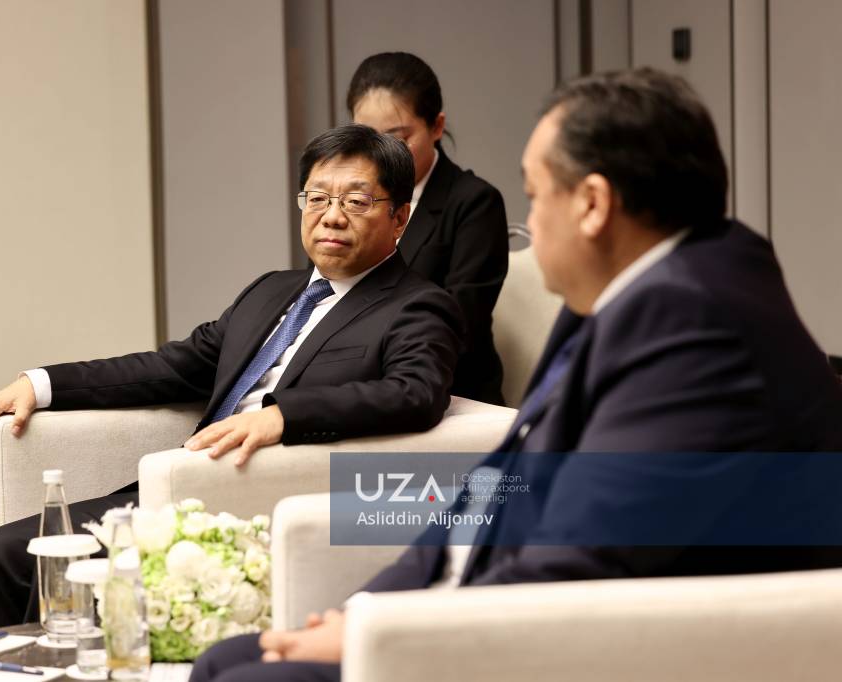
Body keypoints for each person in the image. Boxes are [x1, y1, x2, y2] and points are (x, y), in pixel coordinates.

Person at [190, 68, 842, 682]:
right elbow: (498, 485)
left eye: (535, 195)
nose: (528, 221)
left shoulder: (696, 327)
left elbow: (581, 561)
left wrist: (383, 633)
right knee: (223, 660)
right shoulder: (624, 291)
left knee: (243, 674)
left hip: (540, 640)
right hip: (470, 606)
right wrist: (365, 610)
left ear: (592, 204)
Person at [0, 124, 463, 638]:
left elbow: (415, 393)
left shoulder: (417, 305)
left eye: (356, 201)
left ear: (399, 217)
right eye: (318, 198)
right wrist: (41, 385)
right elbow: (171, 367)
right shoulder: (271, 290)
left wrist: (282, 417)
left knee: (23, 562)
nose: (331, 215)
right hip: (175, 488)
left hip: (252, 504)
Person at [348, 52, 508, 404]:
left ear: (436, 126)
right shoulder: (344, 200)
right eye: (366, 139)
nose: (381, 155)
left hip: (446, 391)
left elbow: (460, 321)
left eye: (398, 138)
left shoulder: (474, 202)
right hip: (355, 382)